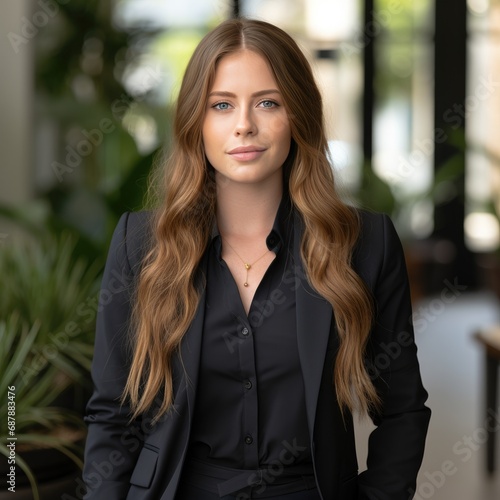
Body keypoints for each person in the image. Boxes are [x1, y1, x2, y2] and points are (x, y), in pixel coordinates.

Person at [82, 17, 431, 500]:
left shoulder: (365, 244)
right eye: (221, 105)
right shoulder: (140, 245)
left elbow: (403, 410)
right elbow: (112, 415)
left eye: (268, 103)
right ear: (195, 123)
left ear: (299, 115)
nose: (244, 124)